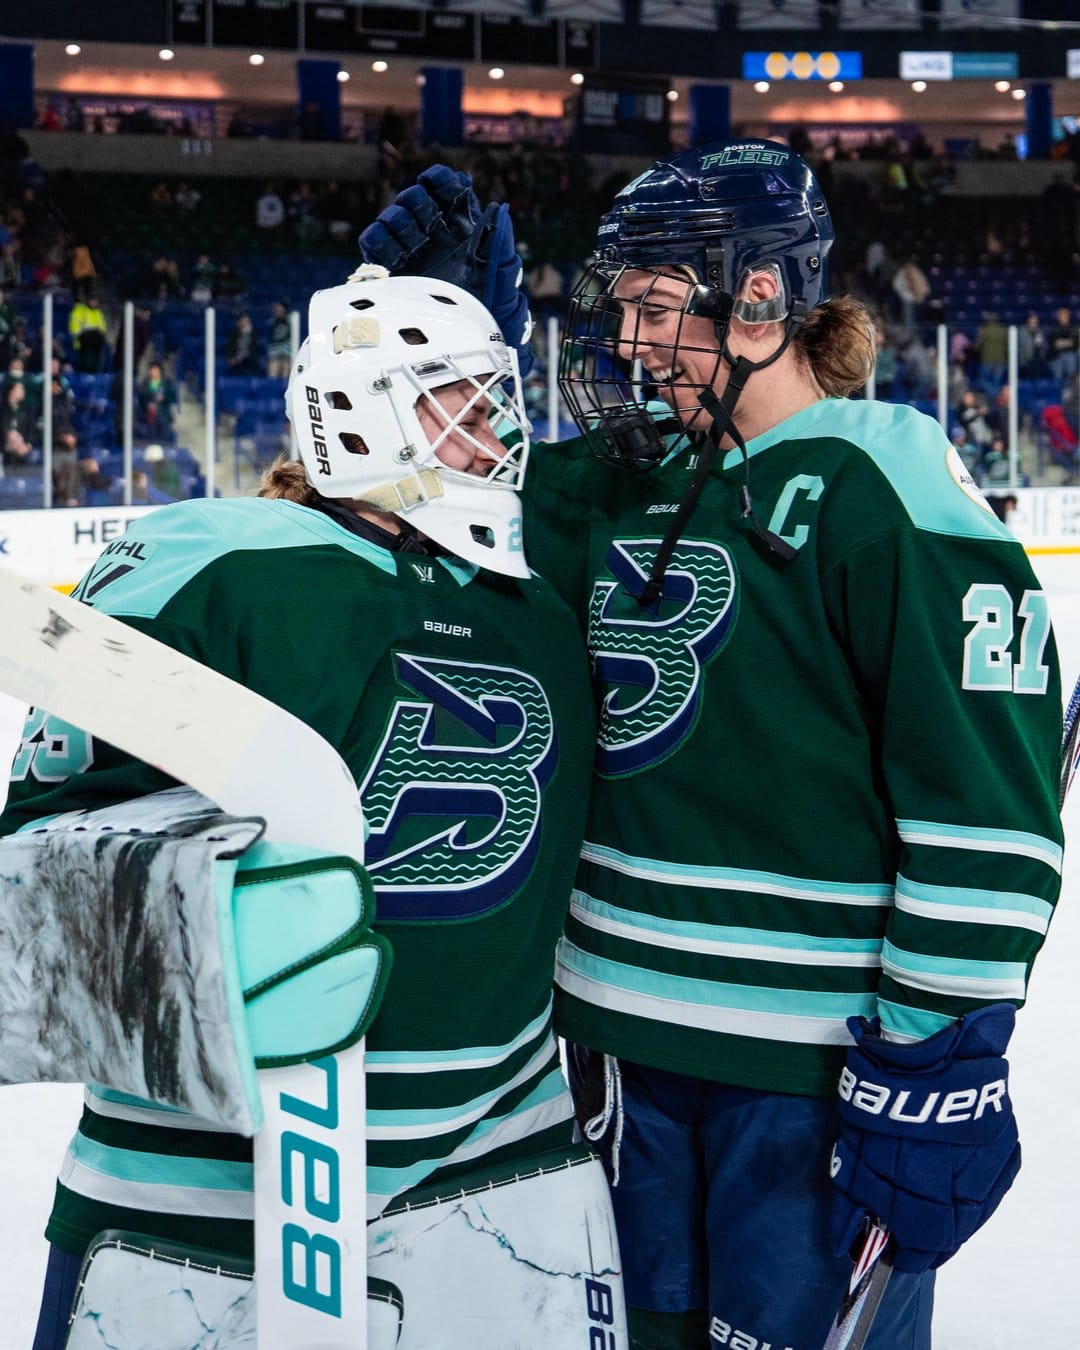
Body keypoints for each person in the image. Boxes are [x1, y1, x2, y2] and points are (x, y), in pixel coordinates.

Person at [361, 143, 1065, 1350]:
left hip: (807, 1085)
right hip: (608, 1062)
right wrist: (428, 344)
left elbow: (988, 819)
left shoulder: (876, 477)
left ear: (759, 301)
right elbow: (415, 518)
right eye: (621, 307)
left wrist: (937, 1052)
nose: (630, 343)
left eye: (652, 305)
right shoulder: (608, 488)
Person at [2, 267, 623, 1348]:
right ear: (359, 412)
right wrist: (200, 932)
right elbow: (31, 884)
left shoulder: (537, 594)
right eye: (459, 401)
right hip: (207, 1188)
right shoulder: (220, 566)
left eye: (498, 399)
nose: (502, 432)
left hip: (502, 1173)